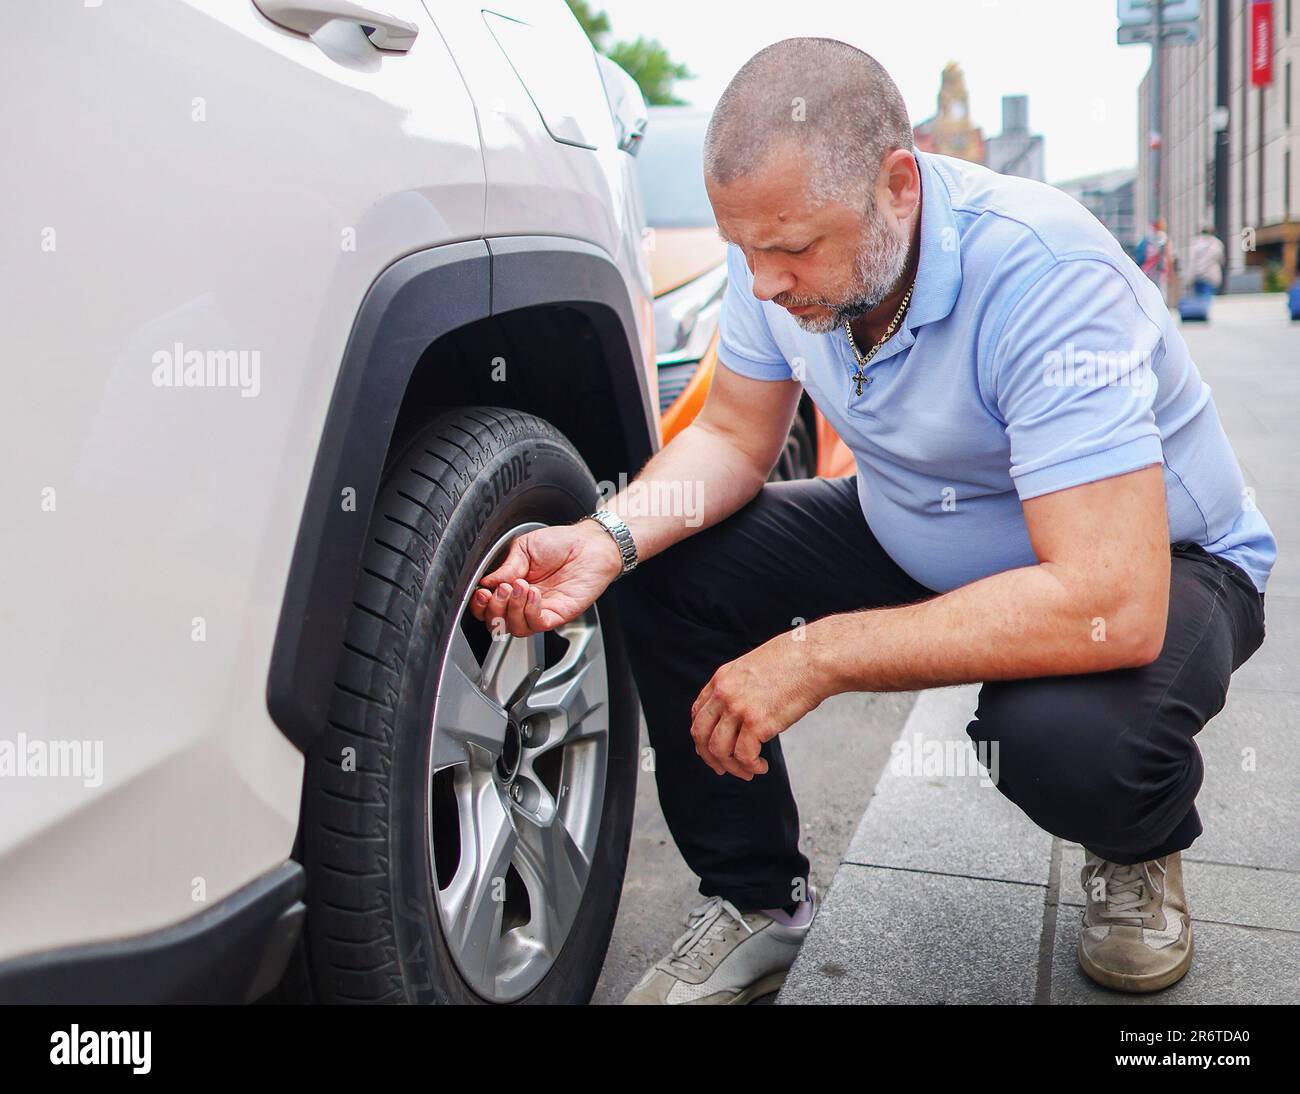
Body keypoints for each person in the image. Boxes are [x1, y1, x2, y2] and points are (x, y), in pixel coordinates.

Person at [469, 38, 1275, 1004]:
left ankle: (1138, 847)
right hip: (917, 521)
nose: (764, 284)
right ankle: (760, 901)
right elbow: (731, 436)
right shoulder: (777, 255)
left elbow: (1111, 598)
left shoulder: (1047, 274)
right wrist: (605, 539)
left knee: (1066, 746)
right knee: (662, 568)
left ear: (898, 186)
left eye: (793, 251)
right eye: (745, 251)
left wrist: (817, 655)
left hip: (1160, 560)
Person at [1188, 224, 1226, 298]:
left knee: (1198, 298)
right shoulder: (1217, 244)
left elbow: (1192, 261)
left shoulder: (1196, 243)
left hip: (1197, 275)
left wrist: (1190, 277)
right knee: (1207, 298)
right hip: (1210, 275)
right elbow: (1221, 260)